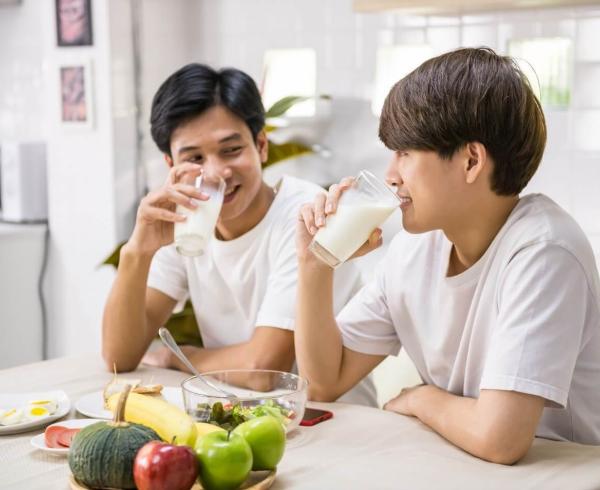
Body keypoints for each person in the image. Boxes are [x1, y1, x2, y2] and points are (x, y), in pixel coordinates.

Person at [295, 47, 600, 463]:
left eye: (405, 152)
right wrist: (315, 264)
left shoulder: (545, 251)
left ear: (471, 160)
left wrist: (423, 399)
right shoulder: (416, 248)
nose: (390, 175)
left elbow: (501, 439)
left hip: (561, 473)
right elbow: (323, 381)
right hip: (462, 464)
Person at [102, 63, 376, 406]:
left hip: (334, 422)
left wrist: (180, 357)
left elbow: (264, 367)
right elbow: (119, 356)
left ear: (261, 145)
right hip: (245, 421)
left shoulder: (305, 216)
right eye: (195, 158)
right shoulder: (187, 222)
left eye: (231, 150)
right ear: (171, 166)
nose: (217, 172)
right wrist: (137, 251)